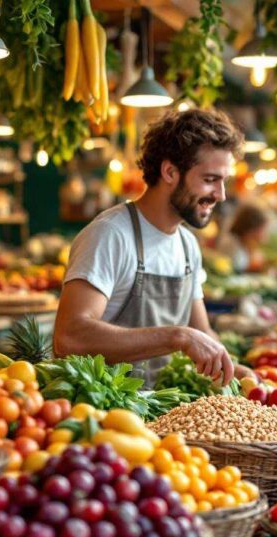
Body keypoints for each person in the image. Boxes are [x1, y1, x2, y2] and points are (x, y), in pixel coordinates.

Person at [53, 108, 250, 388]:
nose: (221, 195)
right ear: (169, 172)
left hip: (163, 414)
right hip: (106, 415)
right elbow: (69, 337)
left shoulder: (187, 245)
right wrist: (176, 337)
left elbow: (201, 331)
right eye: (209, 180)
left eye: (223, 181)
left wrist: (240, 372)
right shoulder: (110, 235)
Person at [220, 203, 269, 273]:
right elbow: (236, 269)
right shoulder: (232, 246)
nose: (264, 234)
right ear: (252, 230)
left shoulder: (245, 245)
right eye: (262, 229)